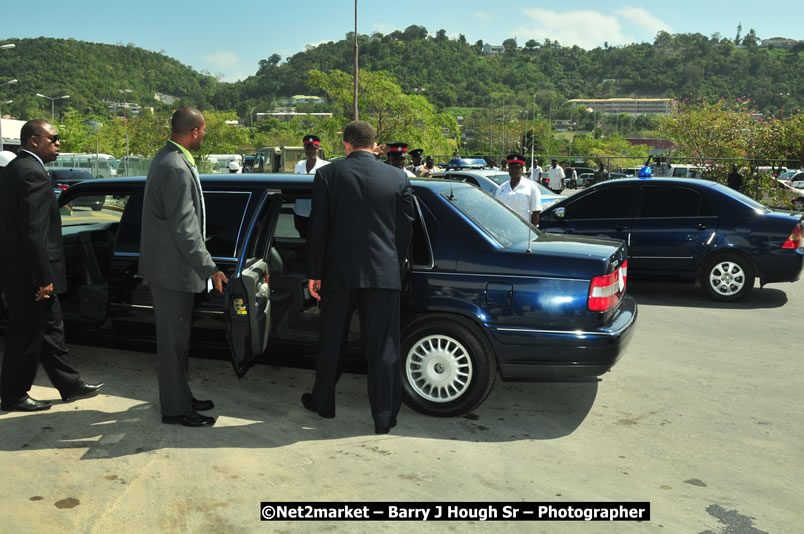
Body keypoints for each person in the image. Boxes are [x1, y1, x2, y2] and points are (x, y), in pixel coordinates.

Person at [302, 120, 415, 435]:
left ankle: (323, 402)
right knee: (383, 347)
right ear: (373, 144)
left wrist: (314, 272)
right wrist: (392, 262)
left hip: (339, 272)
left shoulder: (327, 175)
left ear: (346, 144)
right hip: (384, 273)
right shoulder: (397, 177)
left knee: (332, 341)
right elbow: (406, 230)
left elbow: (318, 229)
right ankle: (384, 416)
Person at [0, 120, 104, 412]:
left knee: (50, 328)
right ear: (34, 140)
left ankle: (69, 385)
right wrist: (42, 278)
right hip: (29, 275)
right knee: (26, 335)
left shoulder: (16, 169)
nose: (59, 144)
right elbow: (34, 231)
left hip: (21, 270)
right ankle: (13, 395)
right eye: (54, 138)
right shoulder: (31, 173)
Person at [139, 107, 228, 428]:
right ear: (194, 131)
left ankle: (180, 395)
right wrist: (210, 268)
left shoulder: (169, 158)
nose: (204, 135)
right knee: (173, 344)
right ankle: (175, 410)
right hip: (173, 271)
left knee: (179, 342)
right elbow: (186, 228)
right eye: (203, 130)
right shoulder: (175, 167)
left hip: (172, 269)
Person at [293, 135, 330, 238]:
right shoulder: (299, 165)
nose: (310, 151)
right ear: (304, 149)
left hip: (317, 213)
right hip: (300, 212)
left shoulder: (326, 166)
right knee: (302, 239)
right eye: (308, 148)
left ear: (318, 149)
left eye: (313, 148)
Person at [494, 153, 541, 225]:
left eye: (517, 167)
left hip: (522, 230)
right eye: (511, 167)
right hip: (503, 229)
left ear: (522, 170)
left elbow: (536, 212)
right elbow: (496, 210)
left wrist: (532, 232)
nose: (513, 170)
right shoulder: (502, 188)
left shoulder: (531, 187)